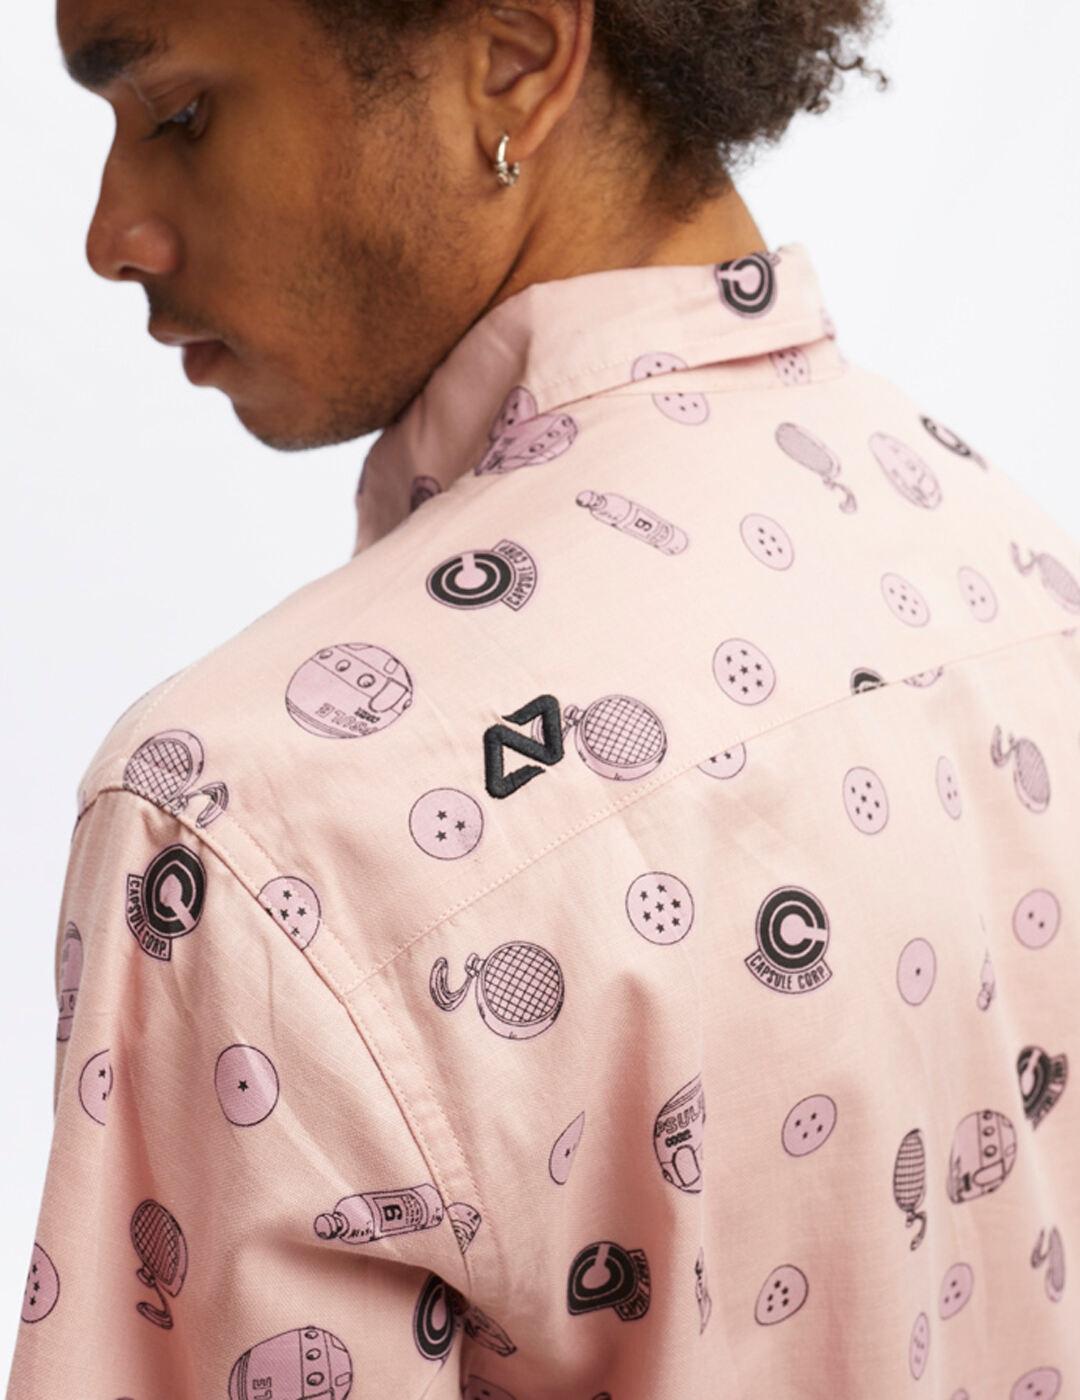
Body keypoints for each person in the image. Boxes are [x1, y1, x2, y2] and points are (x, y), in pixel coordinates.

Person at [7, 0, 1078, 1394]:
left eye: (180, 114)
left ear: (512, 57)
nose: (112, 235)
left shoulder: (249, 830)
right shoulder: (1025, 586)